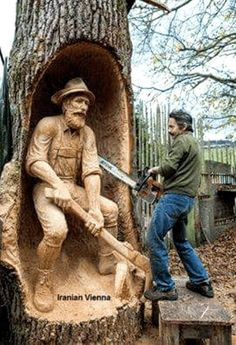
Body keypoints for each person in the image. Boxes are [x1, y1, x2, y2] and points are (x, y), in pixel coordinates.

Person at [26, 78, 118, 312]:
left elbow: (91, 171)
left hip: (71, 188)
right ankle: (44, 280)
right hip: (46, 187)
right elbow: (34, 162)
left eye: (86, 103)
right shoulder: (48, 125)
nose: (84, 107)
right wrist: (57, 185)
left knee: (110, 211)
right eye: (78, 101)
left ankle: (107, 259)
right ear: (65, 104)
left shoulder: (87, 134)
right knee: (57, 230)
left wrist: (95, 208)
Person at [144, 110, 214, 301]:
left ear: (182, 127)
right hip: (186, 200)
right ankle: (201, 281)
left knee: (153, 236)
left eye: (171, 126)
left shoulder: (182, 141)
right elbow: (180, 172)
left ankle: (166, 288)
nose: (169, 130)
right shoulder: (193, 142)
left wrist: (154, 169)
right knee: (181, 241)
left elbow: (168, 168)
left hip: (174, 199)